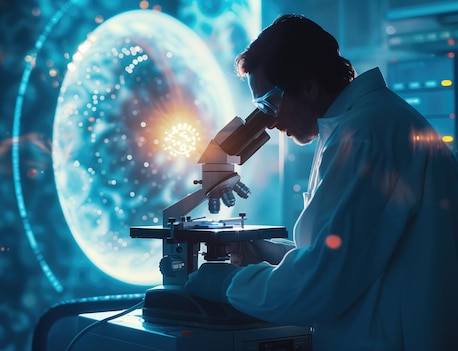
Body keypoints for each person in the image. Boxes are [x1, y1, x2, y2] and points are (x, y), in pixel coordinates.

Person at [185, 14, 458, 350]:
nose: (268, 123)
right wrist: (269, 252)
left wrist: (228, 284)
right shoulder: (367, 123)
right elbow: (348, 254)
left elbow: (323, 284)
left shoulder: (364, 136)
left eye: (269, 104)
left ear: (310, 86)